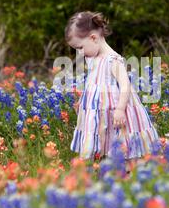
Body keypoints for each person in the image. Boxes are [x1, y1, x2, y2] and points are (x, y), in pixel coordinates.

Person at [64, 10, 159, 173]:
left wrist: (121, 109)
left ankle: (131, 172)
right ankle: (108, 170)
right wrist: (83, 100)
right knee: (106, 142)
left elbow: (125, 85)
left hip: (117, 113)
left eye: (80, 48)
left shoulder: (112, 59)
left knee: (124, 142)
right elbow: (93, 80)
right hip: (101, 112)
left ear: (93, 38)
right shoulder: (92, 57)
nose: (79, 53)